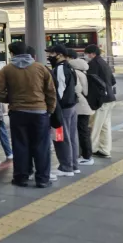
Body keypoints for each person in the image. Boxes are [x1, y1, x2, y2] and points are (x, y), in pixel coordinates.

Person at [0, 43, 56, 188]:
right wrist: (49, 109)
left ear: (11, 53)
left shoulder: (7, 69)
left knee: (20, 145)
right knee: (41, 146)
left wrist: (9, 99)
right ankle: (42, 179)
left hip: (17, 112)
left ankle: (21, 177)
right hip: (40, 112)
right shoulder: (41, 68)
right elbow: (51, 91)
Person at [50, 45, 79, 177]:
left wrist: (55, 106)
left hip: (63, 109)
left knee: (61, 137)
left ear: (60, 54)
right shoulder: (70, 66)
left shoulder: (60, 68)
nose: (49, 56)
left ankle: (66, 167)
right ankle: (73, 165)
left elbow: (59, 90)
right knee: (72, 137)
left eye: (51, 53)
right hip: (72, 106)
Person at [84, 44, 117, 158]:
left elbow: (92, 84)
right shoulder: (104, 63)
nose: (86, 56)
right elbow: (113, 81)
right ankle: (104, 149)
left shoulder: (93, 64)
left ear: (92, 54)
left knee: (95, 126)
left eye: (86, 54)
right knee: (105, 126)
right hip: (110, 98)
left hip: (101, 100)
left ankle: (90, 150)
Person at [69, 49, 95, 165]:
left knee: (82, 131)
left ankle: (87, 156)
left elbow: (78, 89)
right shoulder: (83, 71)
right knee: (83, 131)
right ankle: (86, 155)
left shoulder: (74, 72)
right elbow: (86, 90)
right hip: (85, 105)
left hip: (80, 106)